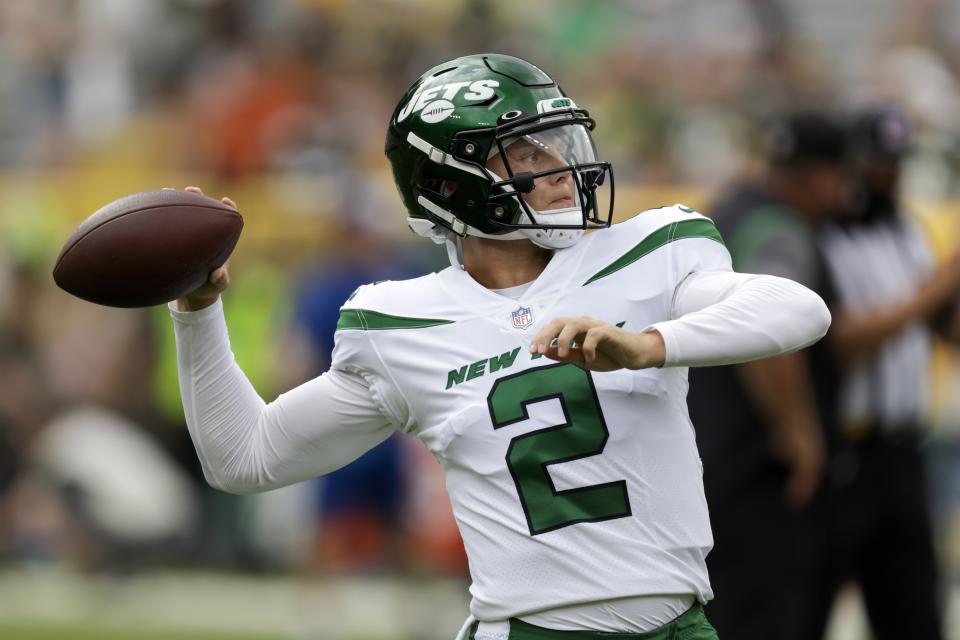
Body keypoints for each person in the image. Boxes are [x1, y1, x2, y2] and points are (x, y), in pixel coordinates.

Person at [169, 54, 831, 639]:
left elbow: (799, 309)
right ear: (452, 184)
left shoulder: (648, 253)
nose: (561, 167)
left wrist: (650, 345)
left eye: (558, 143)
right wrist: (197, 312)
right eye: (527, 152)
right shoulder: (401, 326)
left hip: (679, 624)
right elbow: (244, 458)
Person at [686, 111, 850, 640]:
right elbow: (767, 340)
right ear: (812, 173)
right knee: (764, 609)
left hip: (715, 447)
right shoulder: (774, 223)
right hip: (754, 459)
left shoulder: (732, 208)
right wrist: (799, 433)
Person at [808, 106, 956, 640]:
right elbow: (841, 343)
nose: (887, 175)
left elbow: (943, 328)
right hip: (844, 452)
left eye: (895, 163)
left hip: (904, 450)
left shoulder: (908, 231)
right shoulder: (821, 236)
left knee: (914, 610)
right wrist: (935, 289)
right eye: (876, 162)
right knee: (807, 605)